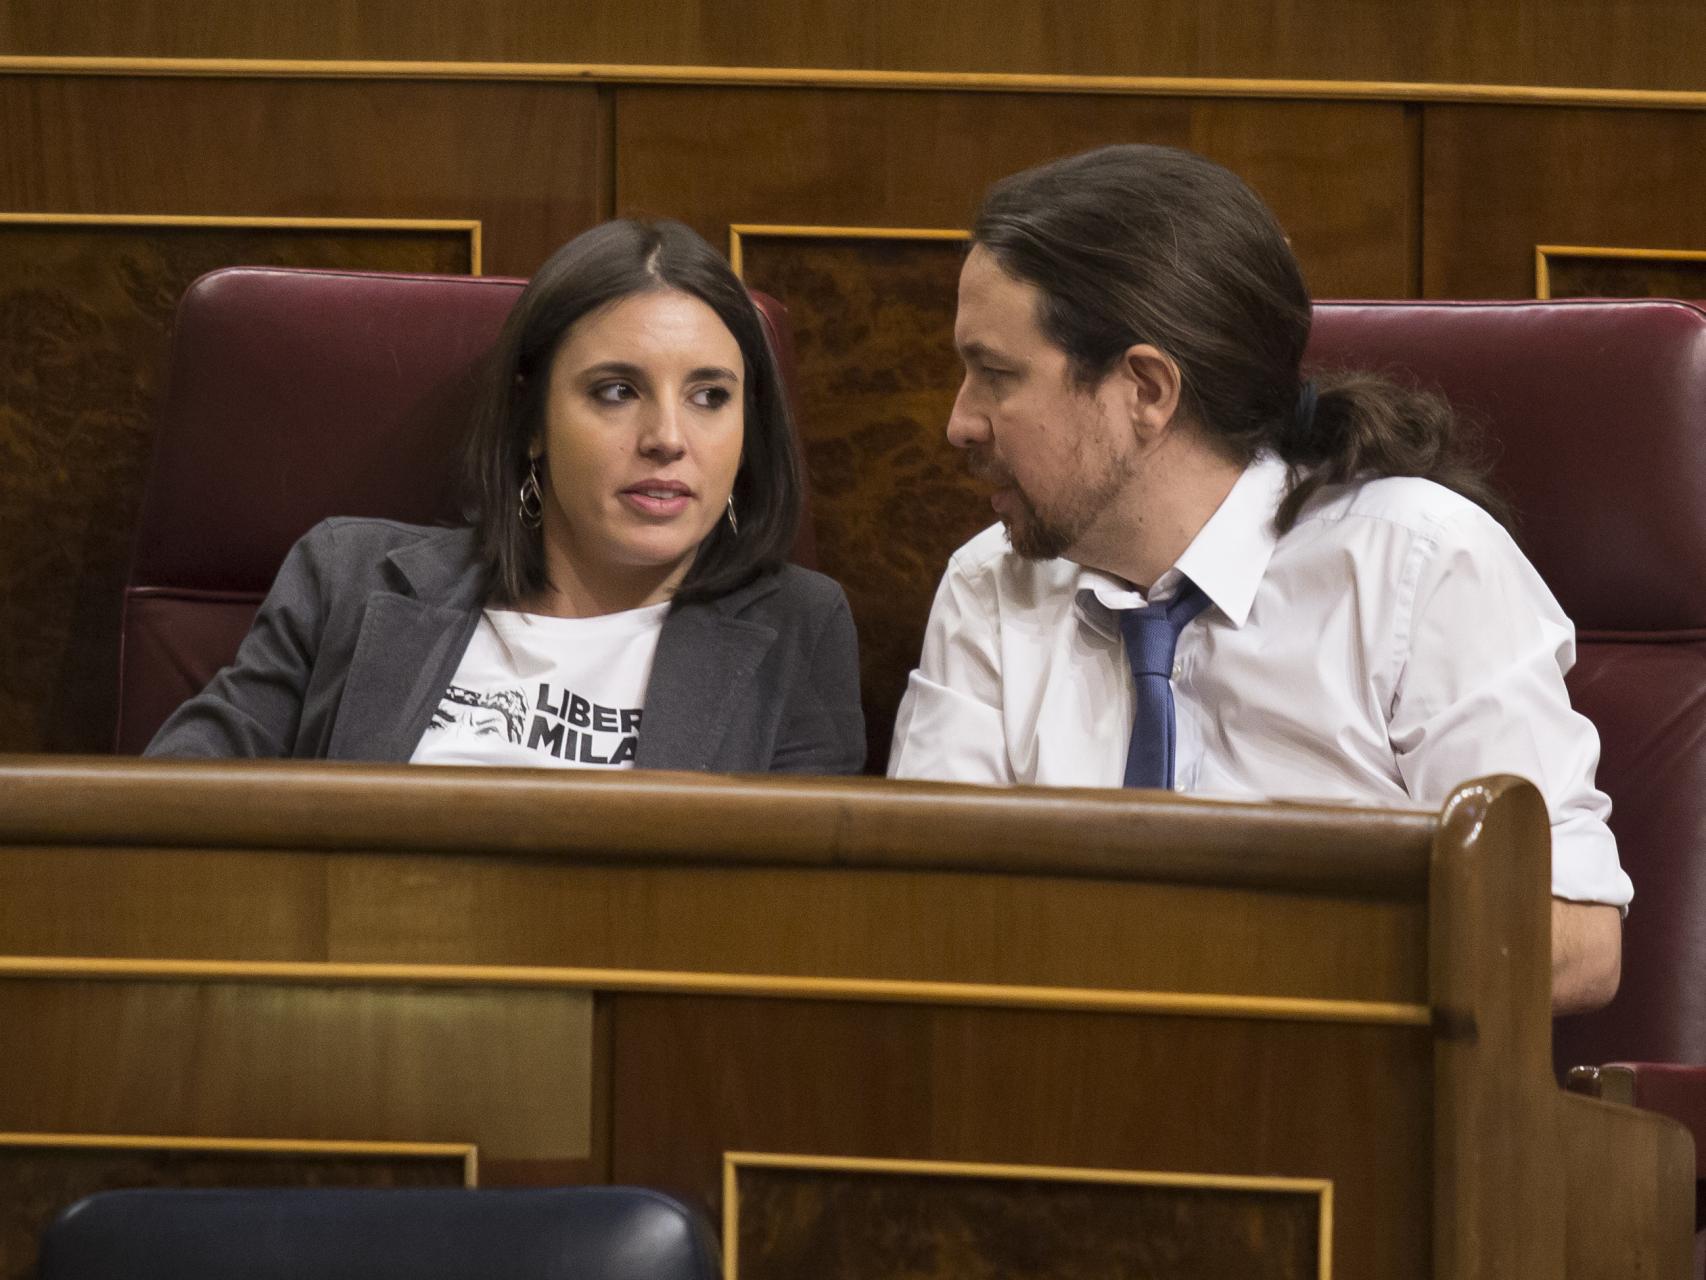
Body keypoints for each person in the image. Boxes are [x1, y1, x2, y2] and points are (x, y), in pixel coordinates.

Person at [887, 145, 1628, 1012]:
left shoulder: (1417, 567)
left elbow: (1570, 938)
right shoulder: (989, 588)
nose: (957, 421)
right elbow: (922, 919)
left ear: (1146, 390)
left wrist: (1243, 980)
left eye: (997, 375)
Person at [149, 219, 865, 775]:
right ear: (533, 422)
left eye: (711, 396)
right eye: (617, 391)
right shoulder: (347, 578)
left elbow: (791, 916)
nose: (668, 438)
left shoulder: (800, 629)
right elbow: (174, 810)